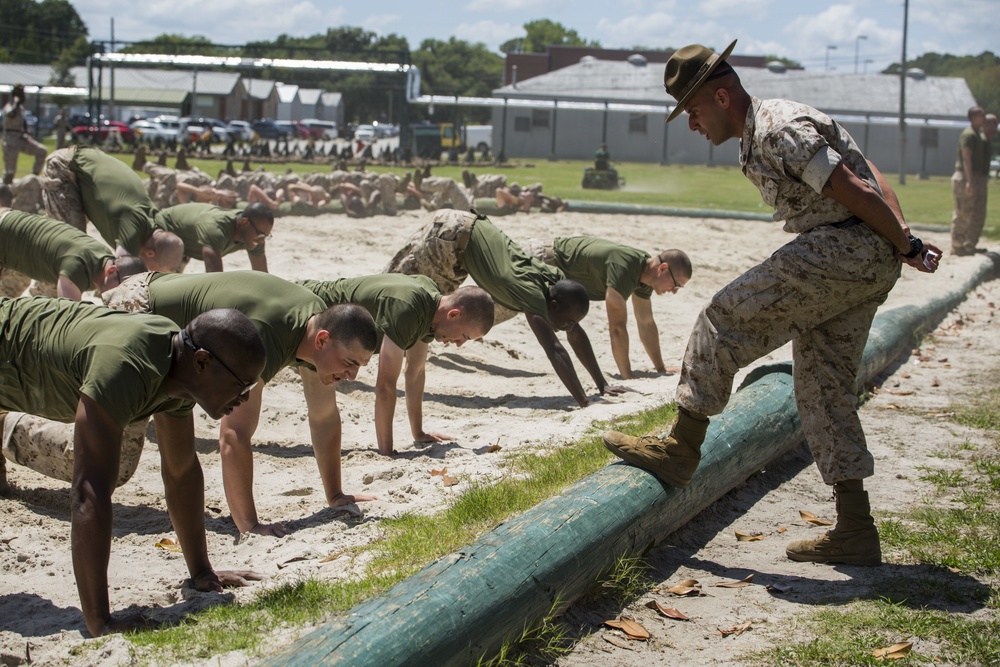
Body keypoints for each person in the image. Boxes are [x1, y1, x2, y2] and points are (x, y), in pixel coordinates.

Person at [602, 40, 940, 567]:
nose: (691, 124)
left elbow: (852, 184)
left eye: (692, 110)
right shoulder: (762, 130)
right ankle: (855, 527)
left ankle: (681, 448)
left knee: (722, 319)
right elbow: (871, 169)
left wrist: (907, 244)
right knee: (824, 385)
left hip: (844, 246)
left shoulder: (777, 127)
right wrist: (900, 240)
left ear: (721, 95)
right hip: (864, 255)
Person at [0, 297, 267, 636]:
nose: (244, 398)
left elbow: (181, 470)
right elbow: (88, 490)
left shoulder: (177, 369)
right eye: (242, 384)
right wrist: (101, 621)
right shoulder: (125, 367)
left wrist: (202, 574)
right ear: (202, 362)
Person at [101, 270, 378, 537]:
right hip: (139, 306)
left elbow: (324, 417)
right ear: (322, 340)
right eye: (350, 363)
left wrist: (336, 495)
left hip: (161, 307)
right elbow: (233, 435)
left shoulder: (318, 325)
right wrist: (250, 526)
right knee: (114, 459)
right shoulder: (263, 338)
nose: (353, 377)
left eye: (360, 366)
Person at [385, 209, 625, 408]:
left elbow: (574, 333)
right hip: (448, 239)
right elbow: (554, 349)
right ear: (553, 305)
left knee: (418, 312)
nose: (567, 328)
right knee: (392, 295)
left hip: (461, 236)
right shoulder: (532, 295)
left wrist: (601, 384)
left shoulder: (556, 281)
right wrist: (584, 401)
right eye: (566, 323)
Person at [298, 274, 495, 456]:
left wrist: (418, 433)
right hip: (306, 311)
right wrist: (387, 453)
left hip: (324, 332)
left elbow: (415, 372)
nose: (460, 344)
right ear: (453, 315)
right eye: (464, 336)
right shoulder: (408, 309)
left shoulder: (432, 313)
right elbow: (384, 386)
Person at [525, 237, 691, 379]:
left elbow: (646, 322)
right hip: (539, 259)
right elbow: (617, 328)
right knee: (504, 307)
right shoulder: (624, 269)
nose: (674, 291)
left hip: (550, 269)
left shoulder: (645, 278)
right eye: (676, 284)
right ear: (663, 269)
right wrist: (627, 376)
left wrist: (661, 368)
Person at [40, 146, 184, 271]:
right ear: (150, 253)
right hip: (65, 166)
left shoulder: (155, 224)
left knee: (61, 239)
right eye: (153, 269)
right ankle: (43, 292)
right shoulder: (132, 227)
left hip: (85, 167)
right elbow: (120, 272)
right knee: (72, 251)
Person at [0, 207, 146, 300]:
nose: (121, 298)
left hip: (9, 232)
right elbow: (68, 317)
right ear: (112, 271)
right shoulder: (79, 267)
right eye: (122, 291)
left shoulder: (102, 257)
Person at [152, 201, 273, 273]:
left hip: (188, 243)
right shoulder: (215, 229)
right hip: (164, 229)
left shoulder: (254, 236)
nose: (262, 240)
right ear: (244, 223)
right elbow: (214, 280)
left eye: (266, 236)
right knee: (162, 283)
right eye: (260, 234)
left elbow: (262, 275)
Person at [950, 106, 990, 256]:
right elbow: (967, 158)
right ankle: (957, 245)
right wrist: (970, 182)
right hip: (965, 177)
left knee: (973, 213)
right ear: (973, 118)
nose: (984, 117)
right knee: (963, 212)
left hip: (972, 177)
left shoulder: (977, 134)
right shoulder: (969, 135)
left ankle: (966, 245)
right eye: (981, 115)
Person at [2, 84, 47, 185]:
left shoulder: (21, 109)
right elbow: (11, 114)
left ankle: (33, 179)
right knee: (10, 172)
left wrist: (27, 134)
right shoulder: (10, 106)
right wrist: (16, 102)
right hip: (11, 140)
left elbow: (24, 124)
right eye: (20, 95)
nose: (23, 97)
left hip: (21, 138)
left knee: (42, 151)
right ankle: (4, 194)